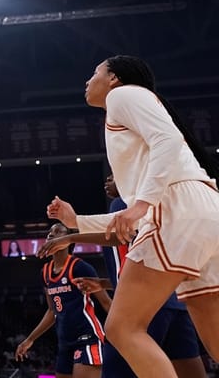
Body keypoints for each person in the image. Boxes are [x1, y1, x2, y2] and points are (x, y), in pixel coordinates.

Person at [46, 55, 219, 377]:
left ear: (114, 78)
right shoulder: (134, 109)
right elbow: (135, 219)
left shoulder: (123, 95)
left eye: (94, 72)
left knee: (123, 328)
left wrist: (142, 203)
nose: (87, 81)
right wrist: (76, 221)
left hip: (176, 208)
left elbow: (168, 141)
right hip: (205, 212)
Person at [40, 175, 207, 378]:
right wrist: (103, 283)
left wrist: (71, 236)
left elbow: (115, 236)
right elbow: (143, 266)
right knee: (190, 372)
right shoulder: (153, 204)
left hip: (144, 306)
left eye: (115, 173)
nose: (108, 178)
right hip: (173, 303)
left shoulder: (124, 205)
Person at [15, 223, 111, 378]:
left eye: (58, 231)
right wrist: (30, 339)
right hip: (64, 342)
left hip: (87, 337)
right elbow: (52, 310)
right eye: (50, 232)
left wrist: (124, 329)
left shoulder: (80, 267)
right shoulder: (45, 273)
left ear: (69, 241)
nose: (52, 234)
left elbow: (106, 302)